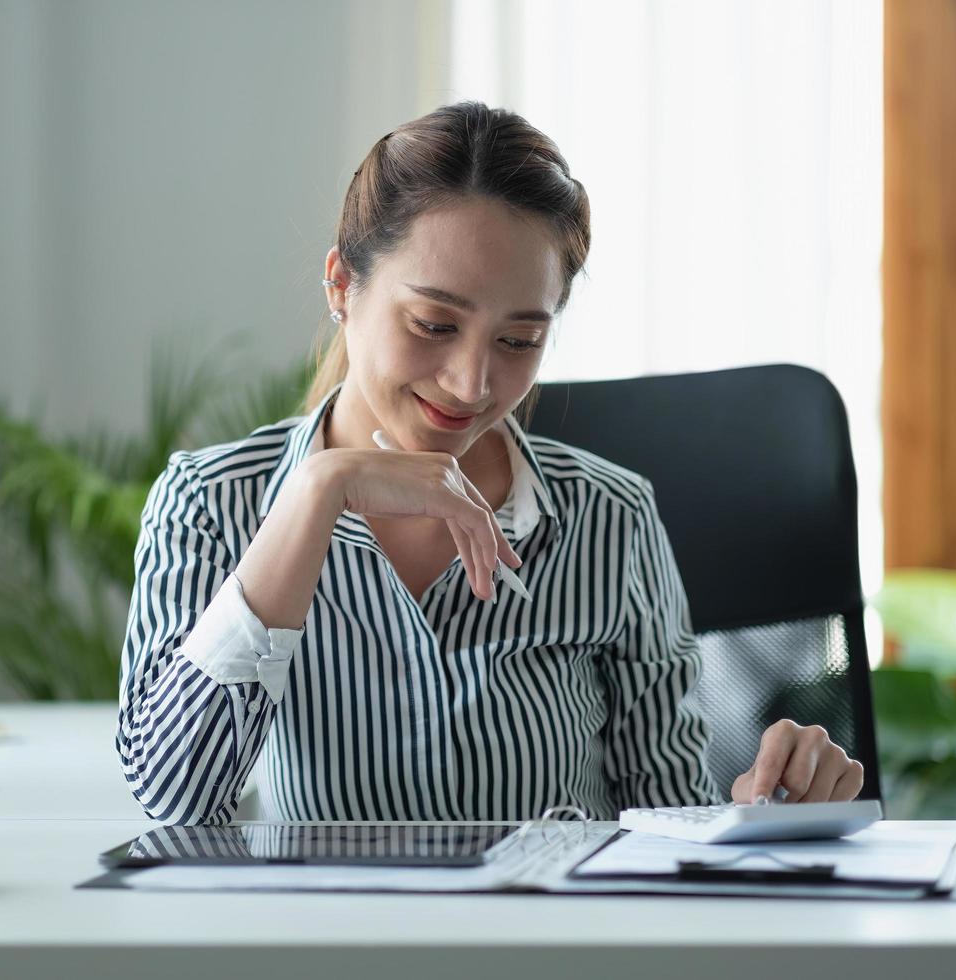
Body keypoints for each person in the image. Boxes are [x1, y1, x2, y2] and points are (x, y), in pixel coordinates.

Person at [116, 102, 864, 825]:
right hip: (336, 947)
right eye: (434, 324)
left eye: (518, 341)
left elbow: (665, 815)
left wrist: (768, 809)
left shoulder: (609, 518)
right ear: (343, 287)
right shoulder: (212, 505)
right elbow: (174, 801)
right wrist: (316, 494)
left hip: (552, 945)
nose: (471, 385)